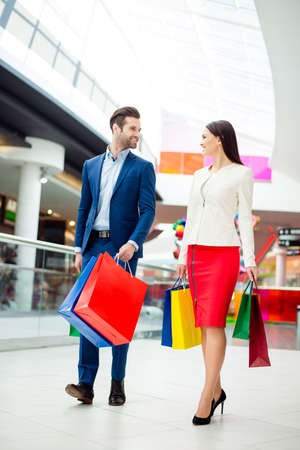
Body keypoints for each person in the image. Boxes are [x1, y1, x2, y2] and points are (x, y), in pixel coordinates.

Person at [65, 106, 156, 406]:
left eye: (139, 130)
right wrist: (79, 247)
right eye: (133, 129)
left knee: (118, 318)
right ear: (116, 128)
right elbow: (84, 208)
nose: (137, 135)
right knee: (86, 316)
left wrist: (133, 242)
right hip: (93, 247)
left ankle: (117, 383)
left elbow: (148, 211)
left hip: (123, 251)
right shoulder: (91, 165)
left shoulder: (142, 168)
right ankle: (86, 384)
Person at [177, 120, 257, 425]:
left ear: (220, 140)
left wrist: (249, 260)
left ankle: (205, 396)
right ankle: (217, 389)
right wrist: (184, 255)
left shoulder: (242, 174)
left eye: (204, 137)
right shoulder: (198, 175)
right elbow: (190, 216)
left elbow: (246, 218)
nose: (201, 142)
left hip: (223, 253)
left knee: (213, 323)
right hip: (196, 254)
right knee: (203, 326)